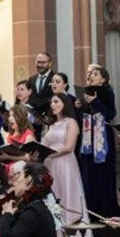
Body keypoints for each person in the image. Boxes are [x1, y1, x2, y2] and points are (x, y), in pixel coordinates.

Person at [42, 93, 89, 226]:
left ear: (65, 104)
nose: (52, 105)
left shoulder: (71, 122)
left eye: (56, 102)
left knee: (66, 193)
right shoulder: (51, 125)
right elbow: (44, 144)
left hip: (65, 163)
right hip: (50, 164)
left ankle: (70, 226)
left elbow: (69, 147)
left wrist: (49, 153)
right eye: (51, 102)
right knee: (53, 195)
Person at [80, 65, 118, 217]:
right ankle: (92, 211)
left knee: (105, 176)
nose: (91, 76)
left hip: (103, 139)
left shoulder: (107, 92)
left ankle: (107, 212)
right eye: (90, 74)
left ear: (103, 79)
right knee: (90, 176)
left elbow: (110, 114)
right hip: (89, 139)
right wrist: (80, 105)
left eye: (95, 74)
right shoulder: (86, 92)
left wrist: (96, 101)